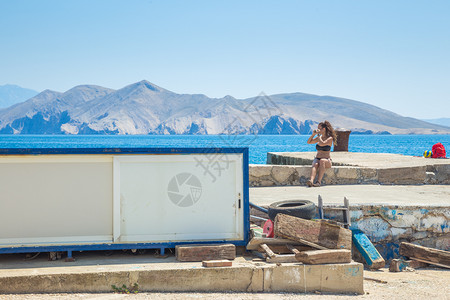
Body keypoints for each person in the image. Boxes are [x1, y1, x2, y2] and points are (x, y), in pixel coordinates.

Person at [306, 121, 337, 187]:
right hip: (318, 157)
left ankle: (318, 182)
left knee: (322, 161)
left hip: (327, 160)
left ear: (323, 129)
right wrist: (313, 135)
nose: (318, 130)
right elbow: (309, 142)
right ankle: (311, 181)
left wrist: (319, 136)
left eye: (319, 128)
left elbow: (323, 143)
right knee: (315, 163)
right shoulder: (318, 138)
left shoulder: (330, 138)